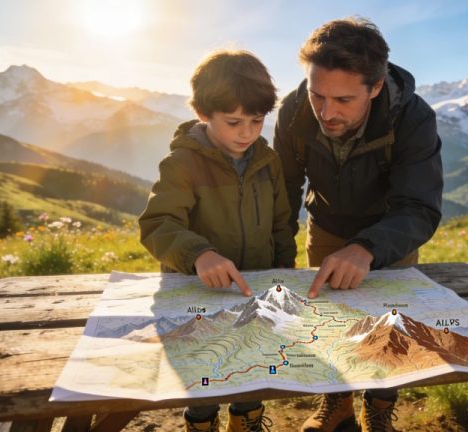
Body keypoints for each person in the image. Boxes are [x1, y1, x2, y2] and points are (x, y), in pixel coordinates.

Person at [273, 17, 443, 432]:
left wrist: (367, 247)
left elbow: (419, 207)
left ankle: (380, 407)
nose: (326, 113)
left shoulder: (414, 119)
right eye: (318, 95)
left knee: (390, 326)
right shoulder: (295, 111)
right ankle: (338, 403)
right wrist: (276, 264)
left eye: (344, 100)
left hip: (392, 231)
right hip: (327, 225)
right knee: (331, 319)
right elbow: (283, 193)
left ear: (376, 87)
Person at [139, 49, 296, 432]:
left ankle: (247, 420)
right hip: (198, 294)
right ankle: (201, 422)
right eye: (233, 122)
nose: (246, 133)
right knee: (203, 372)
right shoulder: (181, 164)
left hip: (253, 291)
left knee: (251, 366)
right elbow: (158, 223)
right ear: (203, 113)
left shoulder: (268, 161)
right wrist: (199, 255)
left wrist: (283, 272)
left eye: (257, 120)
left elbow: (280, 223)